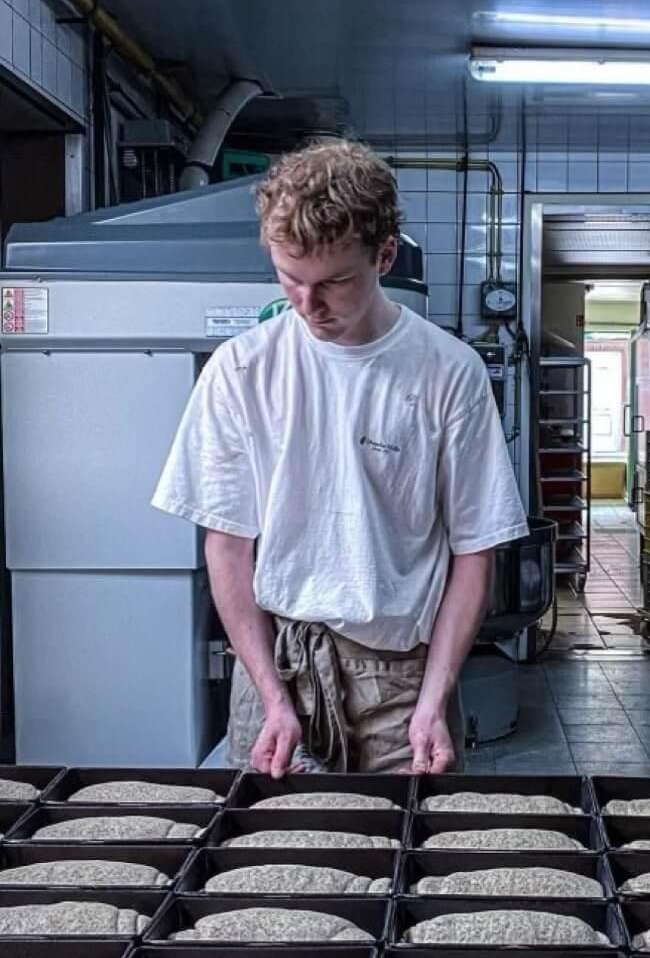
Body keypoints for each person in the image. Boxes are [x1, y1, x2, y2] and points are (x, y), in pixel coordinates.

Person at [152, 139, 527, 777]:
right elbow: (228, 546)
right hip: (279, 665)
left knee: (407, 862)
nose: (307, 304)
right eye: (289, 278)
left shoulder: (446, 372)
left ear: (384, 256)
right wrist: (270, 695)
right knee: (267, 868)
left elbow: (474, 550)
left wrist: (434, 701)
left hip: (402, 682)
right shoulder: (242, 370)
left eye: (333, 282)